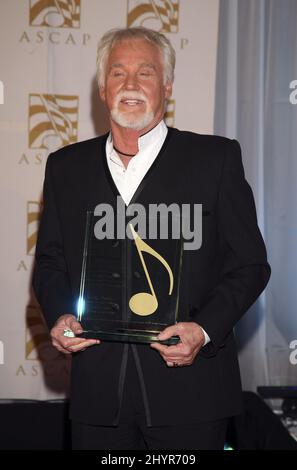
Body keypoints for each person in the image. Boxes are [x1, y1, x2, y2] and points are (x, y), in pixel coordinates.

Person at [32, 27, 271, 450]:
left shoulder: (215, 159)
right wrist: (60, 315)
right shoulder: (66, 167)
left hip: (192, 395)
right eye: (118, 72)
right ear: (103, 88)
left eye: (145, 72)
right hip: (97, 398)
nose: (130, 84)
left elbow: (250, 264)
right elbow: (51, 262)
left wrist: (204, 329)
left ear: (167, 86)